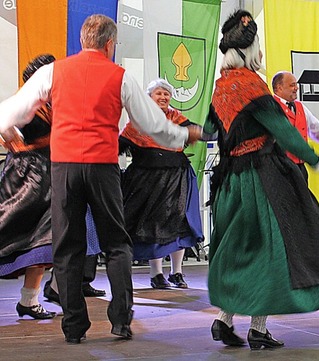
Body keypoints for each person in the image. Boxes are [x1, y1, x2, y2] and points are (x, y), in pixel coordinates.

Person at [0, 14, 201, 343]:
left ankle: (74, 328)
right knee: (117, 245)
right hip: (102, 167)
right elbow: (152, 125)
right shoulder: (120, 76)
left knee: (67, 247)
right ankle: (121, 321)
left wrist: (14, 139)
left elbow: (11, 113)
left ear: (82, 41)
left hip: (64, 168)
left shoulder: (52, 72)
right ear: (110, 44)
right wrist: (185, 134)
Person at [204, 10, 319, 350]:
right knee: (274, 252)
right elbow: (283, 130)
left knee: (242, 251)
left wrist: (178, 131)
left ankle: (225, 320)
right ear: (248, 50)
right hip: (263, 179)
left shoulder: (220, 88)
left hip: (232, 182)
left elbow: (211, 131)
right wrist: (318, 163)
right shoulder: (252, 85)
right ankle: (256, 328)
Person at [119, 78, 204, 289]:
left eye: (166, 94)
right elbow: (119, 146)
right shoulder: (137, 123)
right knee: (152, 226)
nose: (163, 97)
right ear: (149, 98)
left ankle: (177, 272)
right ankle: (156, 274)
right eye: (159, 93)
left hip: (177, 177)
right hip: (147, 180)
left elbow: (199, 131)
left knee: (179, 223)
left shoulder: (177, 118)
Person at [0, 54, 57, 320]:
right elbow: (3, 120)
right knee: (7, 229)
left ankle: (29, 301)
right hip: (24, 179)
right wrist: (19, 144)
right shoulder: (25, 102)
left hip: (51, 179)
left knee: (45, 242)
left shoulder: (56, 104)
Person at [271, 71, 319, 182]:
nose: (296, 88)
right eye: (292, 85)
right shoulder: (271, 107)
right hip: (279, 167)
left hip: (300, 168)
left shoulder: (300, 106)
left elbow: (316, 128)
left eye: (296, 84)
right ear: (279, 88)